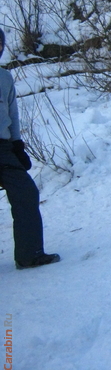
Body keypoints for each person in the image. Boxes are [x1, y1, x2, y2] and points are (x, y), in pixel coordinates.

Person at [0, 28, 60, 269]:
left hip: (3, 148)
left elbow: (11, 113)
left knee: (26, 193)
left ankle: (29, 255)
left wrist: (17, 145)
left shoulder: (4, 78)